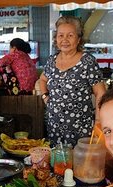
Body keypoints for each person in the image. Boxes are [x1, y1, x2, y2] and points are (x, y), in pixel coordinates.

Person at [39, 16, 106, 147]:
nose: (64, 40)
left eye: (70, 35)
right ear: (56, 39)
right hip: (54, 125)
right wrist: (45, 96)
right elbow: (42, 79)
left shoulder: (87, 61)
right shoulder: (52, 60)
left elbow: (101, 93)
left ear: (79, 39)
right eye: (60, 35)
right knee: (58, 163)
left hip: (80, 127)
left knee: (79, 163)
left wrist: (98, 121)